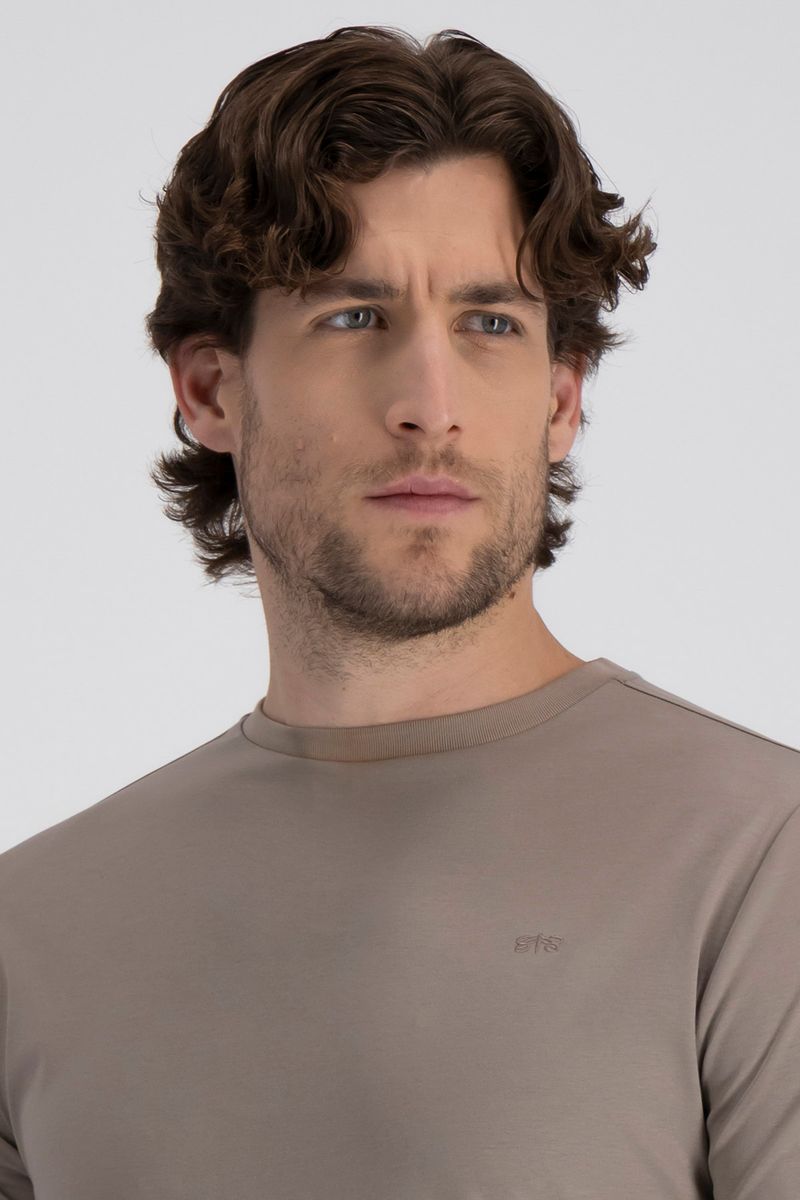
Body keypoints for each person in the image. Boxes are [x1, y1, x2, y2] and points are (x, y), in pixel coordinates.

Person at [1, 24, 797, 1200]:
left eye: (489, 323)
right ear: (211, 390)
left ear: (561, 400)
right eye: (352, 316)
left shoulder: (761, 860)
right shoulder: (31, 933)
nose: (430, 403)